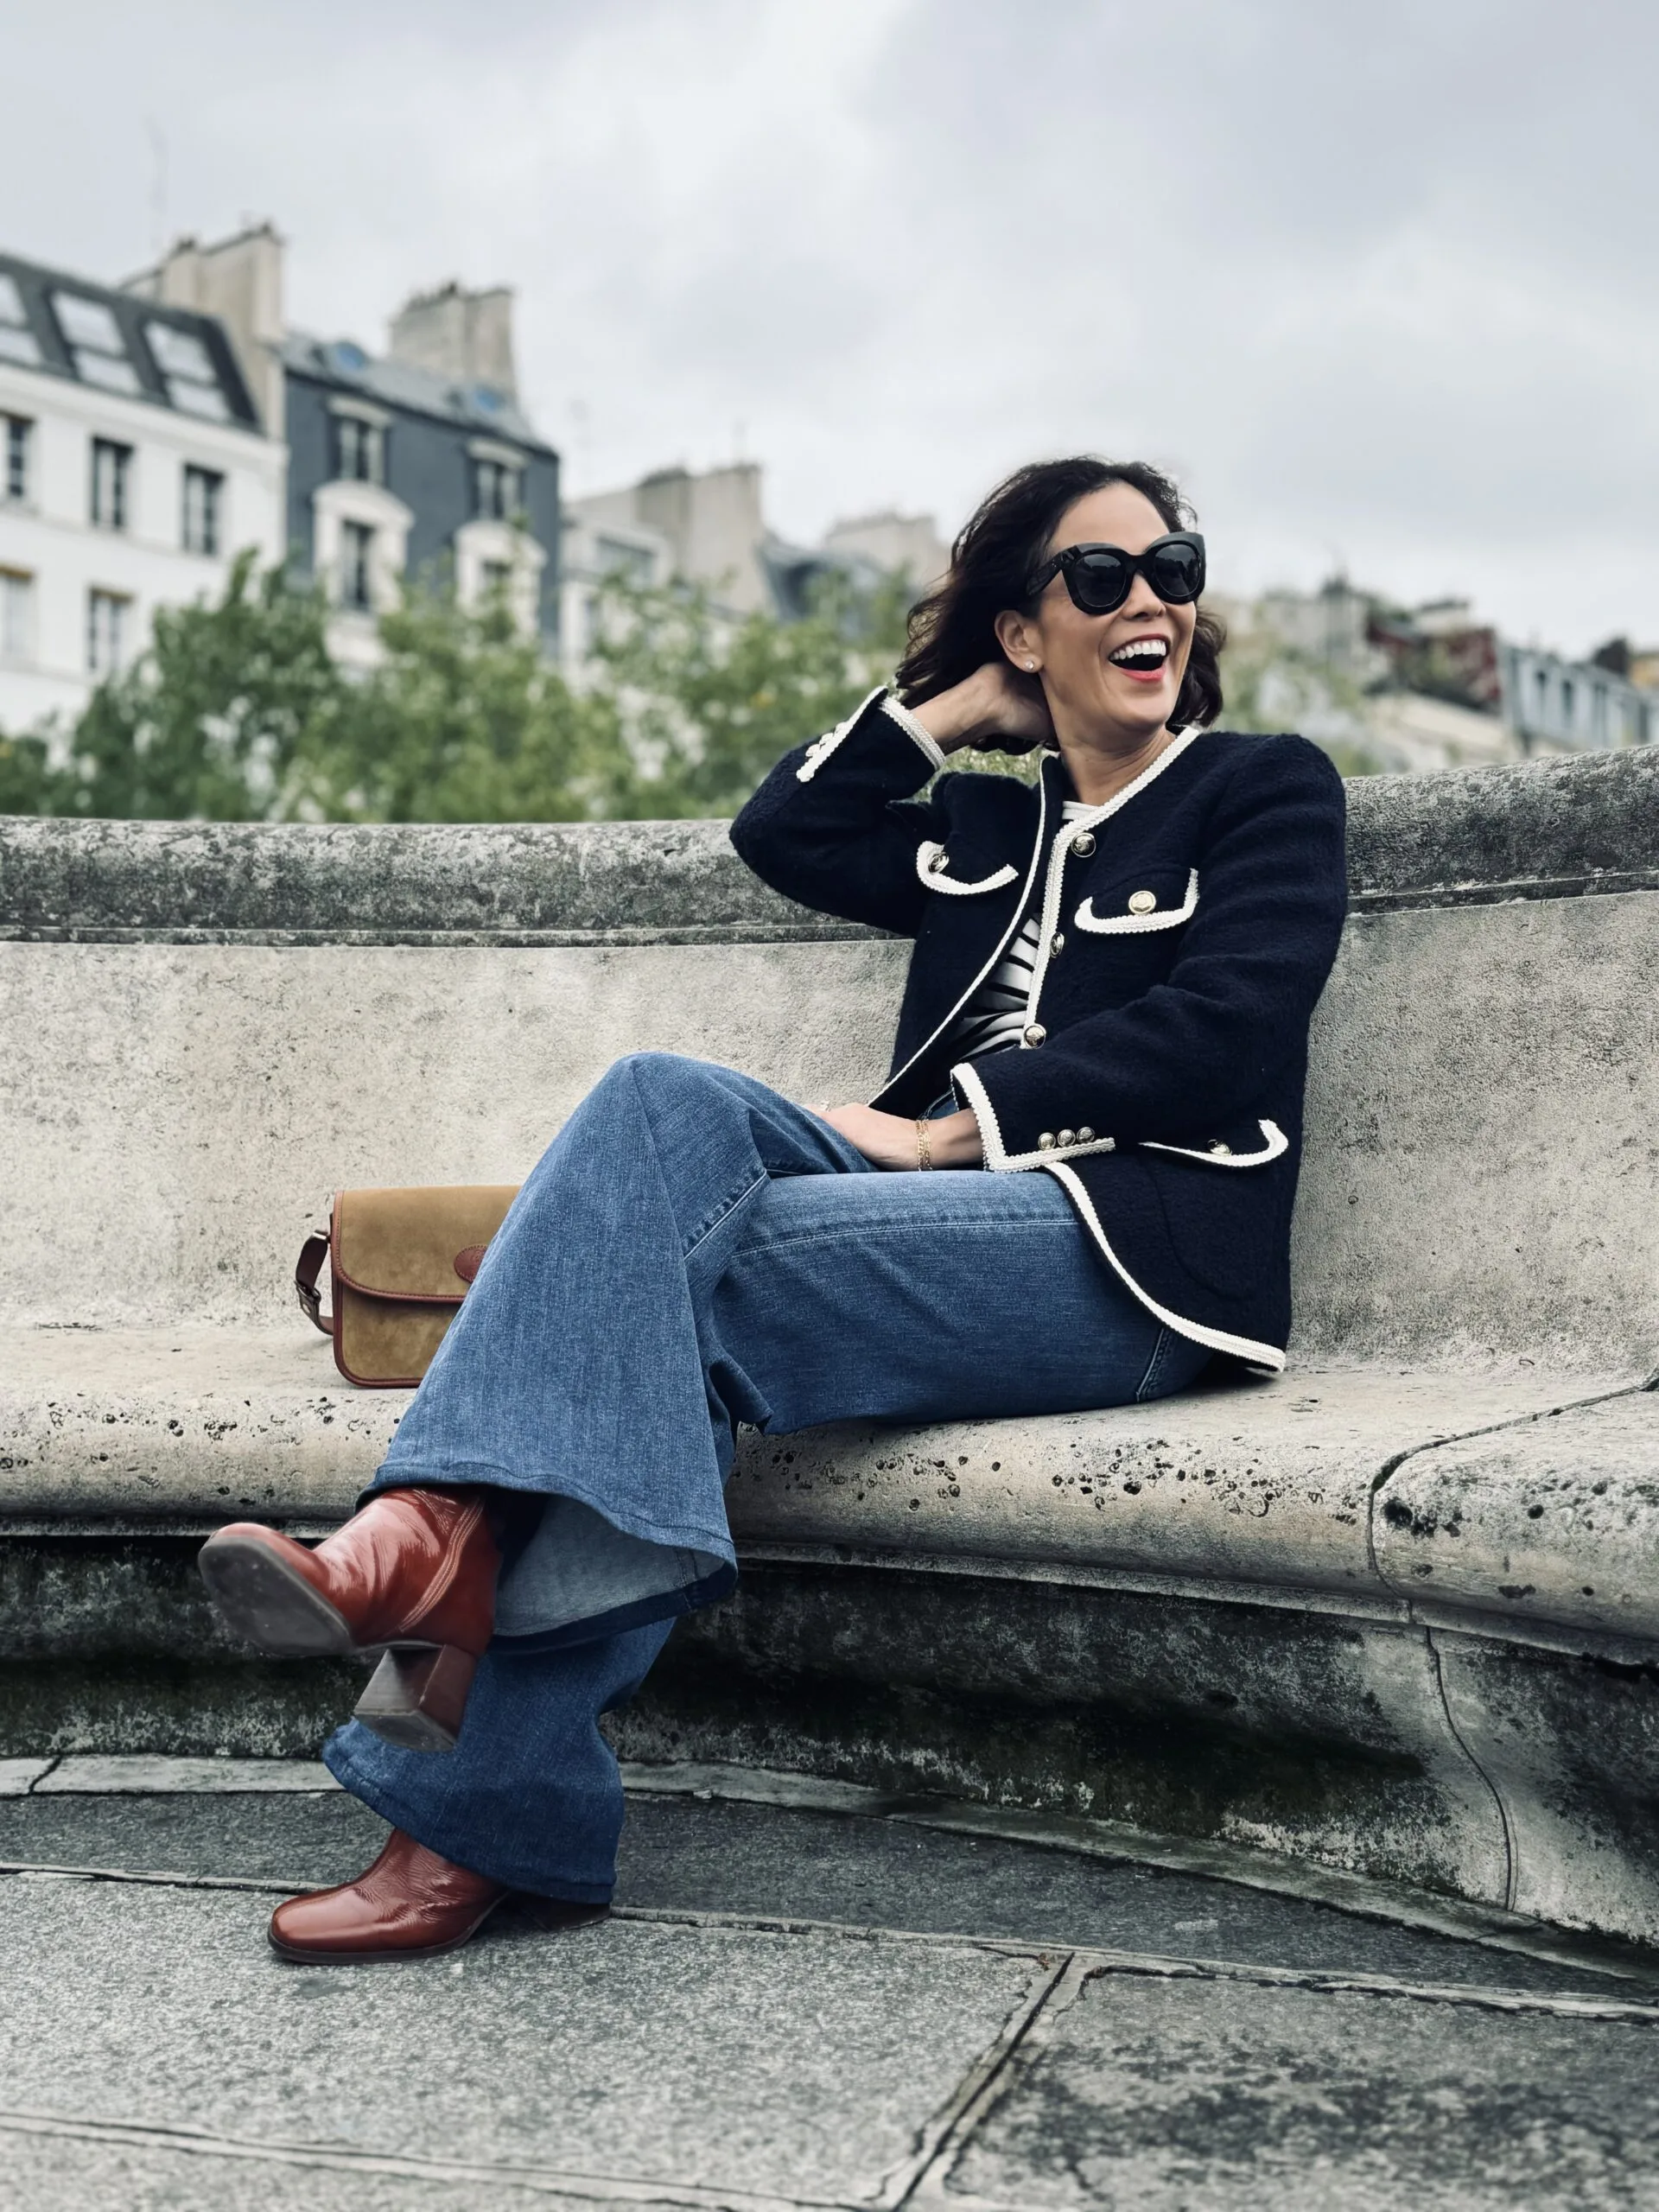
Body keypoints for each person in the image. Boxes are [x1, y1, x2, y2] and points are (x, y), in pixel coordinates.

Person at [198, 455, 1348, 1961]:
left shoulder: (1262, 787)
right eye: (1102, 579)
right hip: (924, 1242)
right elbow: (784, 831)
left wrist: (952, 1140)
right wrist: (946, 718)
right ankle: (448, 1578)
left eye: (1175, 571)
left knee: (664, 1288)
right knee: (658, 1105)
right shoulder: (987, 834)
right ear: (1024, 631)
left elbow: (1235, 1024)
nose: (1153, 604)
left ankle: (446, 1634)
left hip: (1126, 1257)